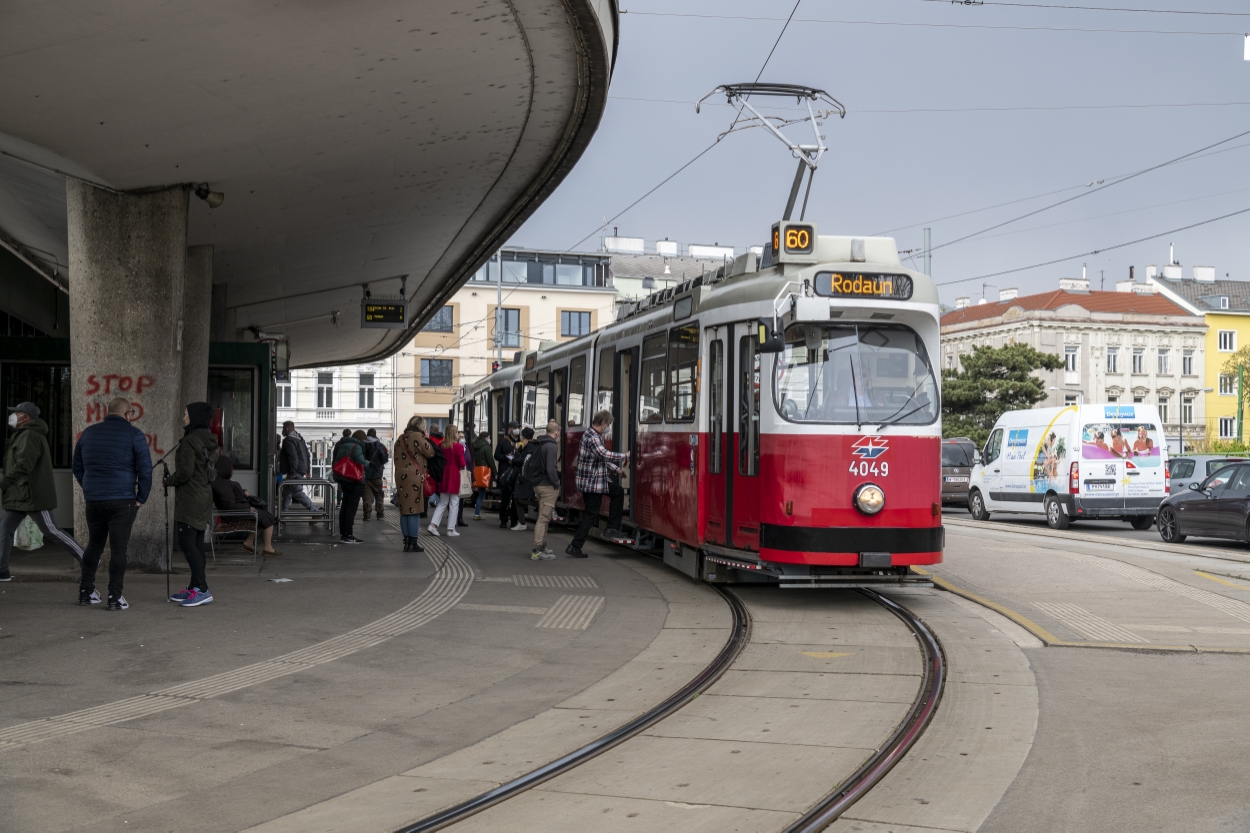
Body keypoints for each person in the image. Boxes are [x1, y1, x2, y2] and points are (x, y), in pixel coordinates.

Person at [71, 397, 151, 609]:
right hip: (122, 501)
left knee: (94, 545)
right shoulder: (134, 435)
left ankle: (85, 592)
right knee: (118, 550)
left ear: (108, 412)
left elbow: (77, 466)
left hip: (94, 500)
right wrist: (141, 498)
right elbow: (145, 470)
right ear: (128, 414)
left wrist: (89, 487)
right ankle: (115, 597)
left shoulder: (88, 433)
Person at [0, 401, 85, 583]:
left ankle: (88, 561)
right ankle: (2, 571)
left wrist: (3, 483)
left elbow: (23, 465)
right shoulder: (21, 434)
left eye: (17, 412)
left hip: (32, 495)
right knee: (4, 530)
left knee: (52, 531)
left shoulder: (30, 435)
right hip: (18, 495)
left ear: (25, 417)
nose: (13, 415)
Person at [165, 402, 219, 607]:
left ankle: (203, 589)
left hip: (190, 498)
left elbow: (185, 473)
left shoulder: (189, 441)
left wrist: (168, 481)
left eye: (186, 415)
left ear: (194, 418)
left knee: (187, 543)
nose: (183, 418)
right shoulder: (209, 440)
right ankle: (195, 586)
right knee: (196, 543)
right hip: (204, 495)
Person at [567, 410, 630, 558]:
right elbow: (604, 454)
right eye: (608, 425)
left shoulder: (592, 435)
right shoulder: (592, 438)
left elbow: (600, 459)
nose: (608, 427)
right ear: (602, 424)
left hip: (596, 481)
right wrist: (625, 456)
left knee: (617, 492)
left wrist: (617, 470)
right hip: (592, 483)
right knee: (591, 514)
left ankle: (612, 528)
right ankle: (575, 545)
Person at [211, 456, 280, 556]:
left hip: (234, 512)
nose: (232, 470)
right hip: (235, 514)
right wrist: (248, 509)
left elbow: (229, 498)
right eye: (231, 468)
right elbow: (230, 505)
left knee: (263, 517)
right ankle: (268, 548)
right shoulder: (224, 484)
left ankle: (249, 543)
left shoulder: (220, 483)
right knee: (267, 518)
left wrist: (243, 493)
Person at [393, 416, 437, 552]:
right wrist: (427, 438)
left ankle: (406, 542)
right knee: (414, 510)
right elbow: (430, 452)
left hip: (401, 476)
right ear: (421, 426)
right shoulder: (417, 436)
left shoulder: (400, 438)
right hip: (414, 477)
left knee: (404, 510)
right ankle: (413, 542)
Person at [526, 421, 561, 560]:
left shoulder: (540, 443)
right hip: (547, 486)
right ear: (557, 432)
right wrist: (556, 483)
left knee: (544, 517)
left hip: (538, 484)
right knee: (543, 518)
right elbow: (551, 468)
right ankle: (537, 549)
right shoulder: (551, 446)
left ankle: (542, 546)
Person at [428, 423, 466, 537]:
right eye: (456, 432)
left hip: (444, 475)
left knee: (442, 502)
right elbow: (462, 463)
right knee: (454, 503)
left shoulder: (441, 446)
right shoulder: (458, 446)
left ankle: (433, 525)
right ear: (453, 433)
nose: (457, 434)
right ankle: (450, 529)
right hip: (454, 475)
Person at [333, 429, 368, 544]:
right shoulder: (356, 447)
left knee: (345, 506)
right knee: (351, 508)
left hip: (344, 479)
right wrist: (370, 463)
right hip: (354, 480)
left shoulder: (342, 445)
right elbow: (360, 461)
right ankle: (348, 534)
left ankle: (343, 534)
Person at [279, 421, 315, 513]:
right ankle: (283, 516)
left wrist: (292, 472)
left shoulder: (288, 440)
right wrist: (307, 469)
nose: (282, 431)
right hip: (301, 468)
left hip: (295, 470)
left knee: (297, 492)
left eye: (283, 429)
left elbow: (293, 456)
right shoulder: (300, 439)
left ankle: (315, 511)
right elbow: (307, 455)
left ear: (286, 429)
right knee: (287, 492)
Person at [494, 421, 521, 529]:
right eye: (515, 427)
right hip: (506, 473)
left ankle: (514, 520)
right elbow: (496, 456)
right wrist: (506, 457)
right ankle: (503, 520)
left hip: (517, 473)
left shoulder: (521, 442)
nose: (517, 429)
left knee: (516, 499)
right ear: (510, 429)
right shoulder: (503, 441)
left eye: (518, 427)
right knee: (505, 498)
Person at [508, 427, 535, 531]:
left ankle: (522, 522)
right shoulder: (529, 446)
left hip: (525, 477)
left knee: (519, 498)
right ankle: (521, 522)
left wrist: (514, 459)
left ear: (524, 436)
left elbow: (524, 460)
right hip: (527, 477)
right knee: (519, 497)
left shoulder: (528, 446)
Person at [362, 428, 390, 521]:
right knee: (378, 494)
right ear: (375, 435)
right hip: (377, 474)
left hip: (365, 474)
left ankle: (367, 515)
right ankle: (380, 514)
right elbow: (385, 458)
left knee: (366, 495)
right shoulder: (380, 445)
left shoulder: (363, 445)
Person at [471, 429, 496, 520]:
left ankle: (477, 513)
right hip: (485, 471)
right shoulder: (486, 447)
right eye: (489, 437)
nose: (489, 439)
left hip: (478, 470)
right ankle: (477, 514)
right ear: (485, 438)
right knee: (482, 493)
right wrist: (495, 472)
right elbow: (490, 461)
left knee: (481, 493)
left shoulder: (476, 446)